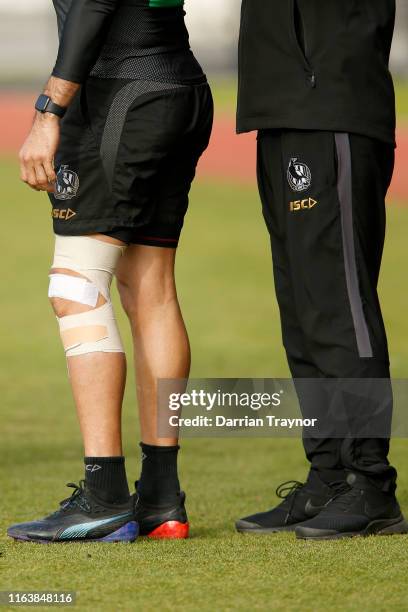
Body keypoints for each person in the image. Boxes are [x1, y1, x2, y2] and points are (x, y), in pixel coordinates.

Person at [7, 0, 213, 543]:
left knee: (76, 286)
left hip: (123, 90)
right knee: (153, 291)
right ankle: (162, 499)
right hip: (177, 86)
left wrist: (48, 111)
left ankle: (103, 496)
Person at [235, 0, 407, 539]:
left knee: (339, 307)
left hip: (332, 100)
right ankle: (331, 476)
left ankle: (370, 481)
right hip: (282, 105)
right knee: (304, 314)